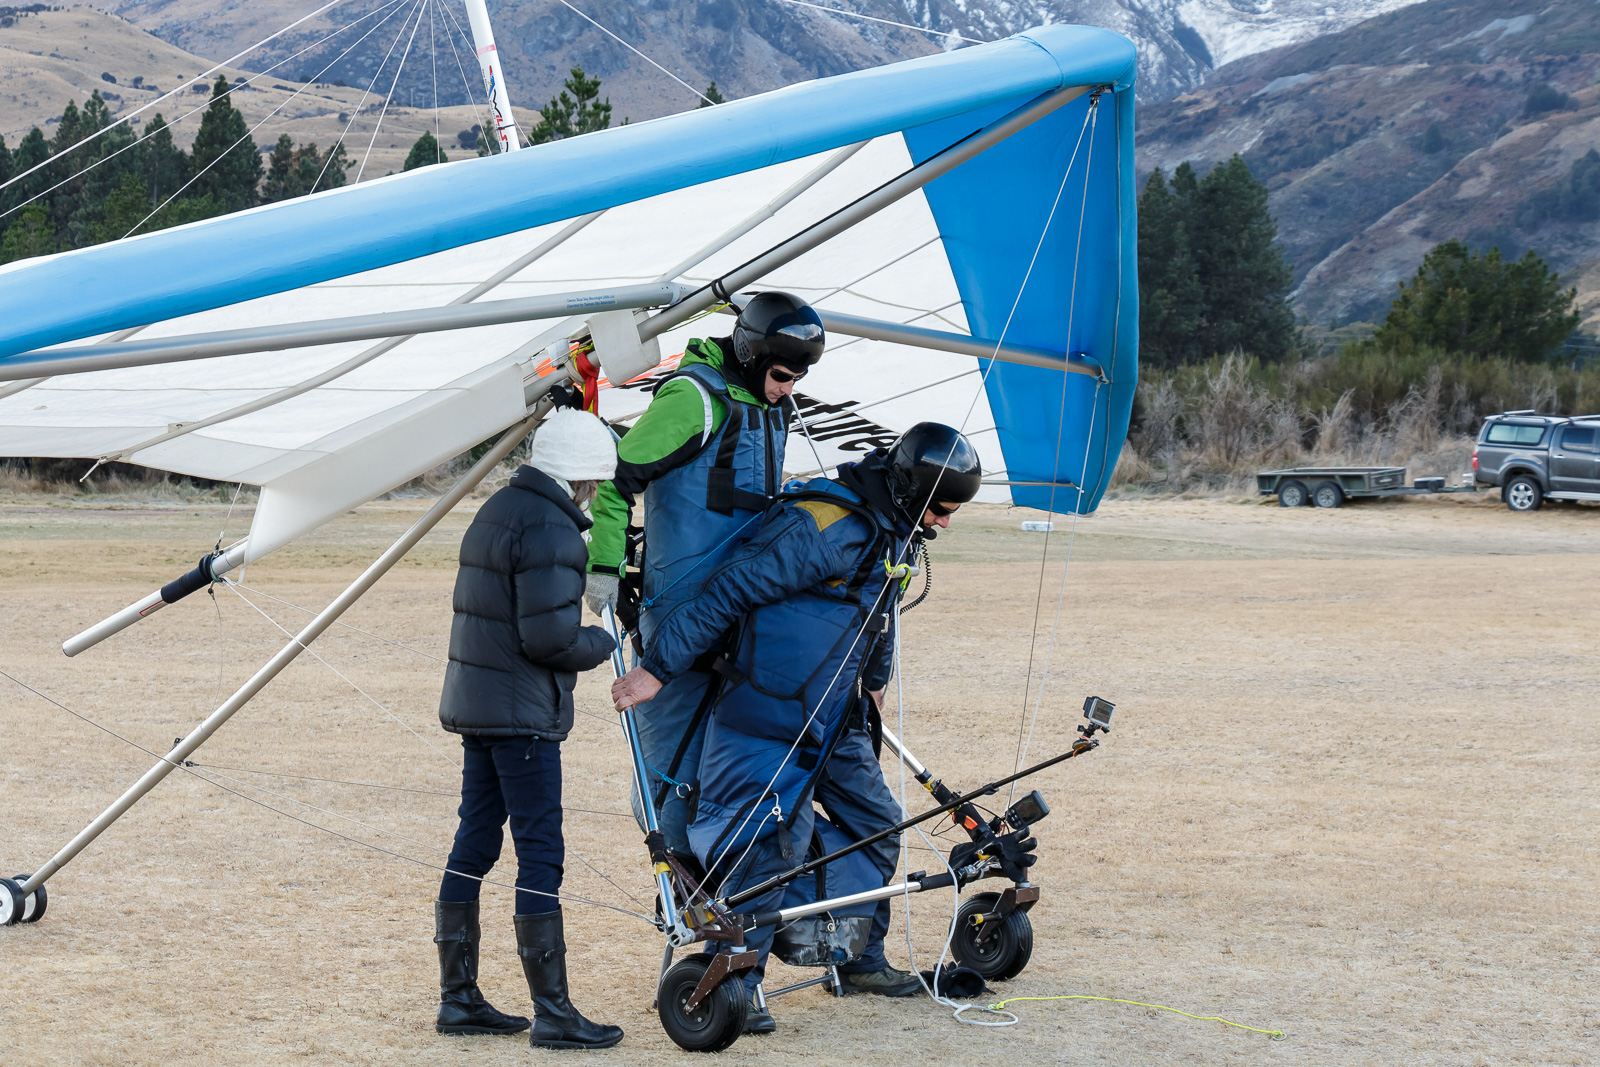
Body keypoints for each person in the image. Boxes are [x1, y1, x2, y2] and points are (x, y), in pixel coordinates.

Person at [611, 422, 988, 1032]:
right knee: (757, 842)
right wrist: (657, 668)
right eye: (942, 510)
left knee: (877, 824)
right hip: (767, 715)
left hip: (835, 720)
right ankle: (735, 977)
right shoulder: (824, 524)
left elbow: (879, 612)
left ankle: (856, 956)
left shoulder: (892, 530)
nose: (944, 524)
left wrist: (875, 681)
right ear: (913, 492)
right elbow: (729, 587)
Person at [584, 292, 825, 856]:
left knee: (733, 765)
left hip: (741, 614)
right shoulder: (693, 399)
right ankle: (684, 891)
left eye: (797, 379)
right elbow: (617, 481)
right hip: (681, 616)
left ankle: (733, 890)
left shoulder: (766, 407)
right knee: (678, 765)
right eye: (783, 374)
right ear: (750, 353)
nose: (789, 388)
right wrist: (605, 566)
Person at [433, 407, 625, 1050]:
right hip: (521, 717)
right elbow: (550, 639)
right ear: (583, 479)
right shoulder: (554, 529)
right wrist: (602, 638)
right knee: (540, 851)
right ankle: (554, 1013)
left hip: (480, 706)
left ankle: (458, 1000)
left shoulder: (498, 510)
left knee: (476, 843)